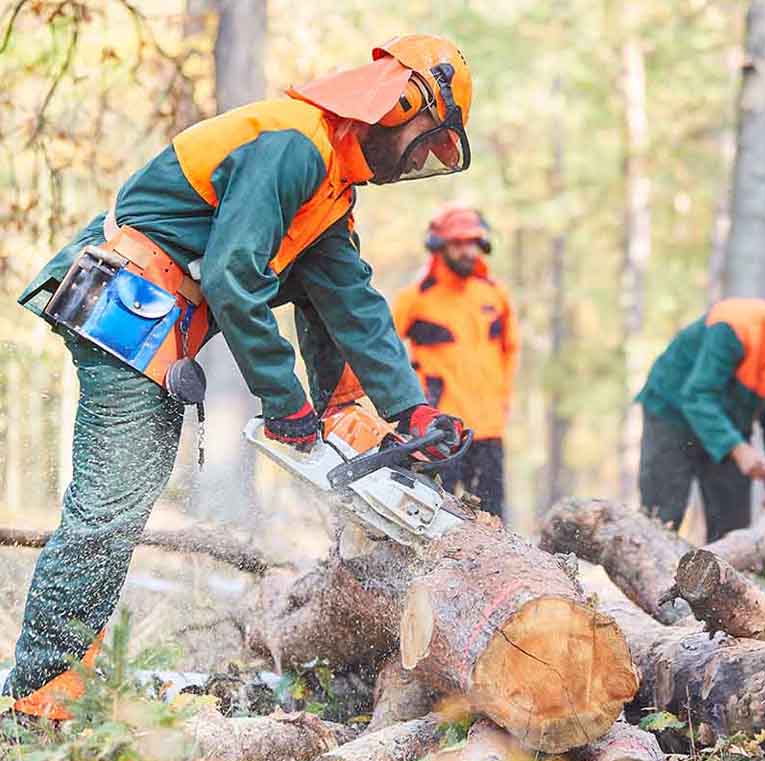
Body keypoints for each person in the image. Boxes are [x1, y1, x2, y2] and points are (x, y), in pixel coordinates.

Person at [4, 34, 473, 720]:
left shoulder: (331, 188)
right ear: (398, 106)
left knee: (118, 508)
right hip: (125, 303)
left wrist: (411, 411)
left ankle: (68, 679)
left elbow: (349, 298)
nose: (417, 161)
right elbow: (231, 273)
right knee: (109, 512)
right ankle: (38, 692)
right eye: (423, 140)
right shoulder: (293, 146)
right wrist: (285, 402)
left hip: (157, 318)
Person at [637, 297, 765, 542]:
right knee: (664, 513)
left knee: (732, 525)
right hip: (673, 411)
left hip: (730, 423)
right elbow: (697, 395)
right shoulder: (736, 326)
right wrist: (738, 449)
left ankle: (723, 578)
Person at [393, 206, 519, 518]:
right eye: (457, 243)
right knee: (434, 515)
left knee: (492, 520)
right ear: (440, 245)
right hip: (440, 431)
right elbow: (384, 348)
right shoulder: (416, 298)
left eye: (472, 242)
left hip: (488, 429)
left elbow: (510, 352)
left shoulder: (495, 295)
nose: (466, 251)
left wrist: (502, 402)